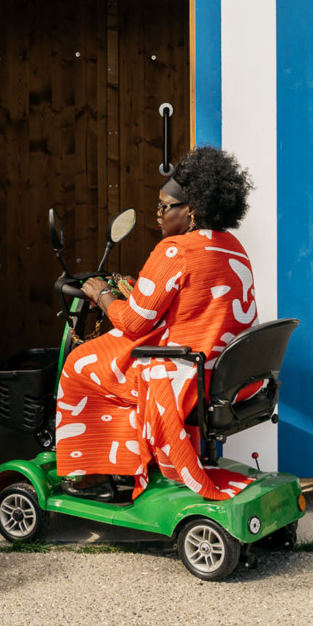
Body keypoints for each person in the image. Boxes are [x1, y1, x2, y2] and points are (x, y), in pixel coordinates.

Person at [54, 146, 260, 502]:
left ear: (192, 211)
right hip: (230, 377)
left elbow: (134, 323)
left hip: (185, 377)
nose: (158, 215)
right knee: (108, 361)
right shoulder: (233, 246)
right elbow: (195, 306)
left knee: (81, 364)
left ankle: (94, 474)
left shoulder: (175, 250)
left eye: (165, 207)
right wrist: (133, 291)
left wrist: (104, 295)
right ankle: (128, 458)